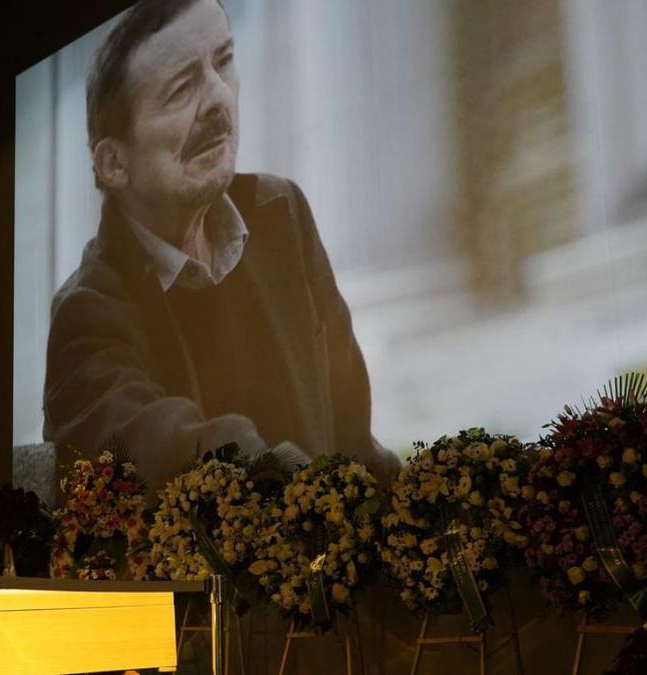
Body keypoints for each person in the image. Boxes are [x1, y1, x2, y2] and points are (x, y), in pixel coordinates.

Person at [43, 0, 401, 490]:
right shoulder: (86, 313)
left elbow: (352, 435)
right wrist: (295, 484)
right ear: (114, 165)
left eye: (224, 60)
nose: (218, 97)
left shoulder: (283, 213)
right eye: (181, 88)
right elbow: (156, 452)